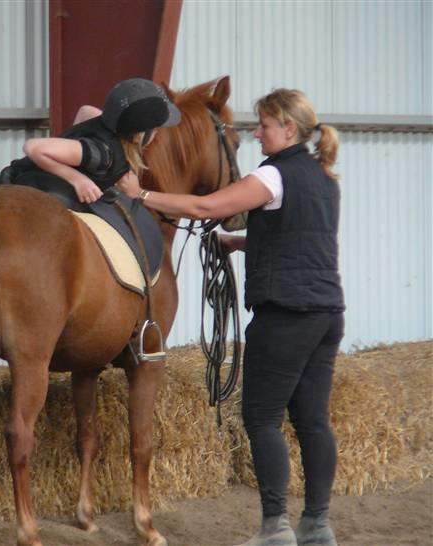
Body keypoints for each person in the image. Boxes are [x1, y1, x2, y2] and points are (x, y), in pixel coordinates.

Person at [117, 88, 344, 546]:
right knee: (312, 421)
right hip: (326, 311)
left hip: (285, 314)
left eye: (262, 125)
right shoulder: (323, 177)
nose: (256, 134)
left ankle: (274, 527)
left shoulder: (273, 176)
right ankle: (317, 525)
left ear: (288, 129)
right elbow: (299, 238)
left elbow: (206, 207)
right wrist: (240, 243)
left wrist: (140, 193)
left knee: (261, 417)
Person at [0, 78, 181, 262]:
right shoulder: (101, 154)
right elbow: (34, 148)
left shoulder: (106, 126)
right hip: (11, 185)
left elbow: (85, 112)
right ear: (141, 133)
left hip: (41, 190)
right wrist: (76, 177)